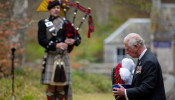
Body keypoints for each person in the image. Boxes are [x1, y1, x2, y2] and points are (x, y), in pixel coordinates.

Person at [37, 1, 81, 100]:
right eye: (54, 8)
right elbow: (41, 40)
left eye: (58, 7)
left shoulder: (66, 22)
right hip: (51, 55)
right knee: (51, 86)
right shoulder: (43, 23)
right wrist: (56, 45)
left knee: (62, 85)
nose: (56, 9)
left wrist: (72, 40)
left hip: (63, 57)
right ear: (49, 9)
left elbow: (78, 38)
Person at [113, 33, 166, 100]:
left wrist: (125, 92)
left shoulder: (148, 61)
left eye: (128, 49)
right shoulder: (143, 59)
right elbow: (139, 82)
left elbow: (147, 87)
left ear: (136, 47)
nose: (126, 52)